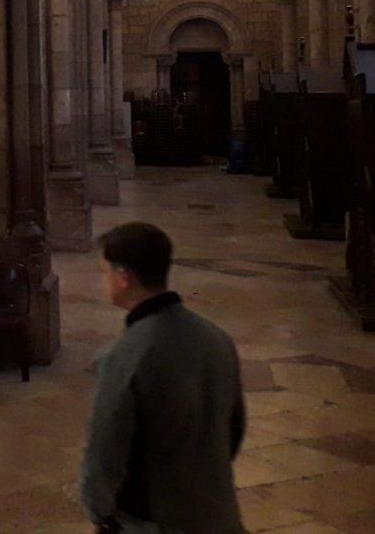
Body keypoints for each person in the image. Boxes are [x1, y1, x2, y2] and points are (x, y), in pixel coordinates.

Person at [81, 222, 246, 534]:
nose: (102, 280)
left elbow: (106, 451)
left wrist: (100, 512)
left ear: (123, 278)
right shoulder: (218, 339)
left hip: (157, 522)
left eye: (103, 272)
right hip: (217, 514)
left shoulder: (127, 355)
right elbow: (234, 430)